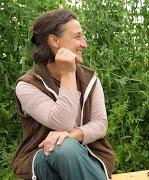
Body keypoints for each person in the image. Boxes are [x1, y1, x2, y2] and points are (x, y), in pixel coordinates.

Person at [12, 9, 115, 180]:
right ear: (54, 40)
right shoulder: (27, 86)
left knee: (67, 145)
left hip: (89, 155)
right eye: (77, 37)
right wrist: (68, 74)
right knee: (64, 148)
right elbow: (64, 123)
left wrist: (74, 135)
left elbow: (100, 123)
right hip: (43, 158)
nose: (84, 44)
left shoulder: (90, 79)